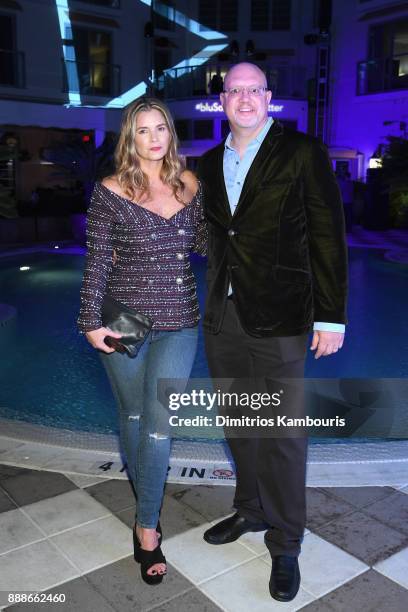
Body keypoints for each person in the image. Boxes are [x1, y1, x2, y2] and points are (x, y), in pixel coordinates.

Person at [197, 63, 348, 602]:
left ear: (268, 97)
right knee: (240, 424)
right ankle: (252, 510)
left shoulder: (302, 152)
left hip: (283, 316)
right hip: (224, 317)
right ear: (222, 100)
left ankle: (286, 543)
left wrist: (330, 316)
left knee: (282, 435)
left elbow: (329, 236)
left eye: (252, 90)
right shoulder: (209, 162)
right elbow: (211, 237)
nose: (243, 98)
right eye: (233, 90)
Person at [78, 97, 206, 585]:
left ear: (171, 133)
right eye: (143, 131)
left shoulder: (190, 185)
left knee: (158, 424)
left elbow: (205, 244)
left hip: (180, 320)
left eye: (161, 129)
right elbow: (97, 262)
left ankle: (146, 525)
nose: (154, 139)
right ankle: (146, 489)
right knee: (131, 414)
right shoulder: (110, 190)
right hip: (124, 323)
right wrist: (90, 321)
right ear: (129, 139)